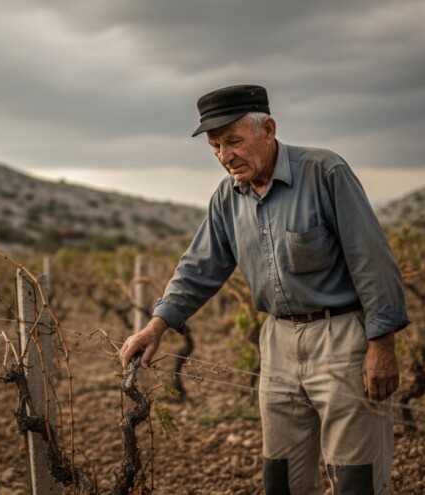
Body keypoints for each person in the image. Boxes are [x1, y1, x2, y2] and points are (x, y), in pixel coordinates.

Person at [119, 84, 409, 495]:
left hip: (343, 337)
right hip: (277, 341)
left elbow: (371, 258)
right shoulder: (227, 197)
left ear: (268, 129)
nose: (224, 156)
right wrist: (156, 326)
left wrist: (382, 344)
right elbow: (199, 267)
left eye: (233, 141)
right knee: (282, 473)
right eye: (215, 146)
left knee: (355, 476)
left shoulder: (325, 172)